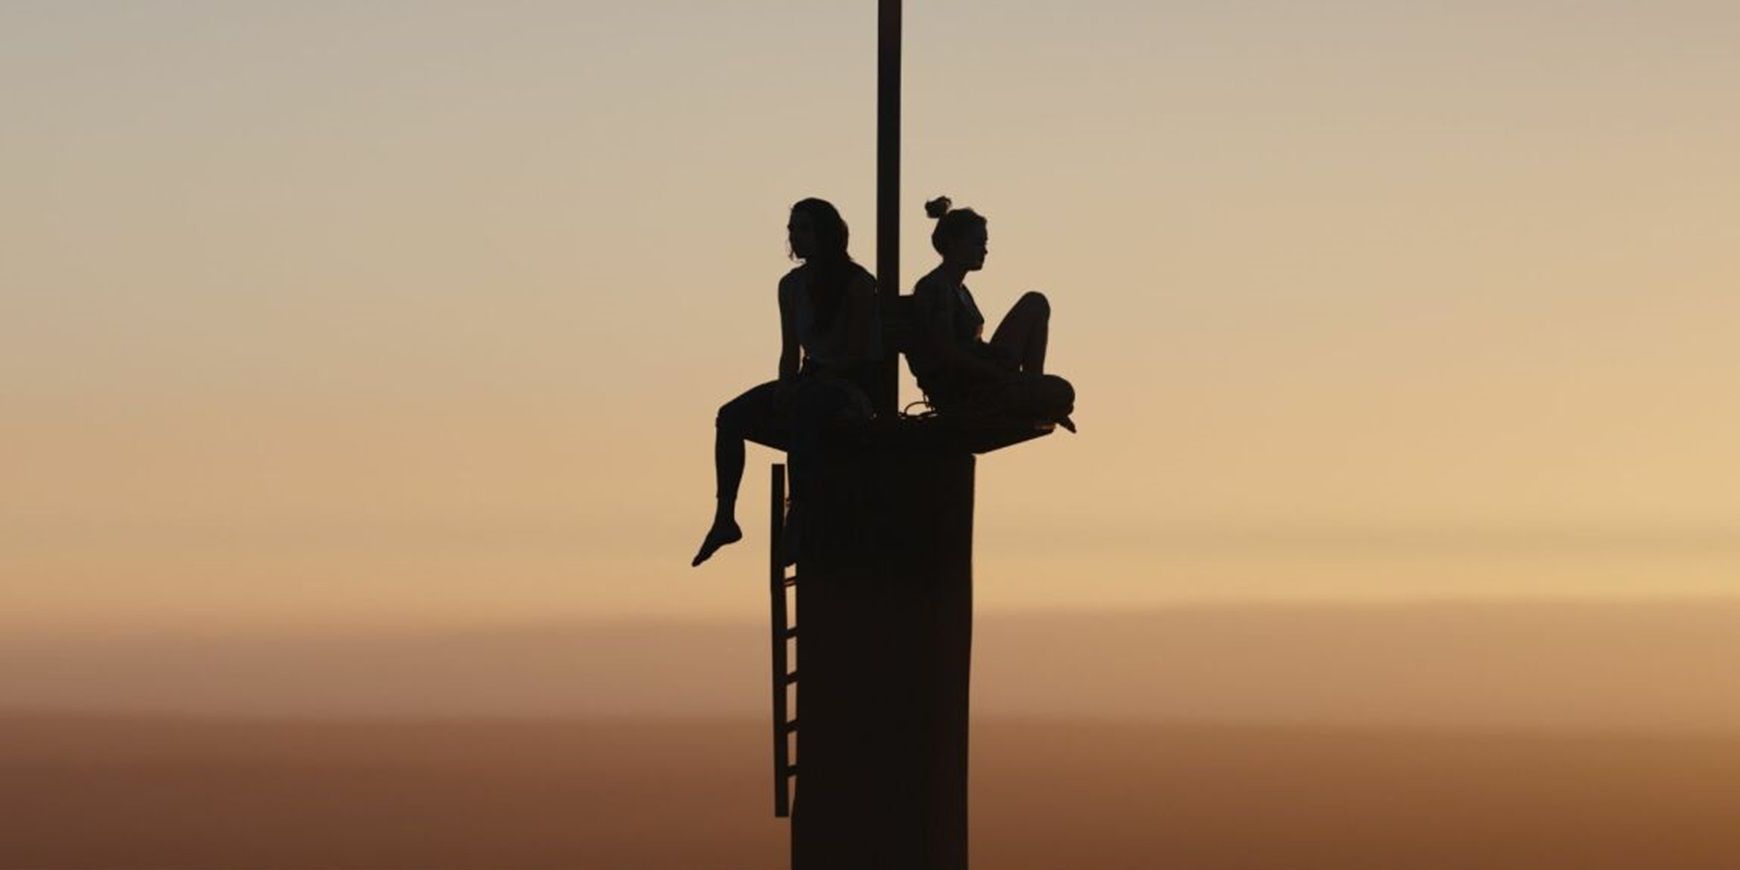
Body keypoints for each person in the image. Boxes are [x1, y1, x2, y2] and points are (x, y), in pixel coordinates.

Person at [692, 198, 880, 567]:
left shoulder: (858, 284)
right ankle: (724, 517)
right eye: (792, 228)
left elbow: (862, 352)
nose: (795, 236)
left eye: (804, 228)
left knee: (805, 416)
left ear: (825, 234)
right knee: (730, 416)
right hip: (810, 381)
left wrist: (814, 384)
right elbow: (789, 351)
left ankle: (798, 515)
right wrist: (784, 386)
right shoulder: (790, 286)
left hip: (850, 389)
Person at [908, 196, 1075, 429]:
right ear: (954, 243)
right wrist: (1001, 375)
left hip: (983, 374)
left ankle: (1032, 384)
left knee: (1035, 303)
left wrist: (995, 360)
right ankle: (1032, 391)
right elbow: (946, 353)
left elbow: (970, 345)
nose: (984, 250)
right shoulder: (935, 288)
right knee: (1060, 391)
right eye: (977, 242)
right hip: (965, 390)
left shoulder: (959, 289)